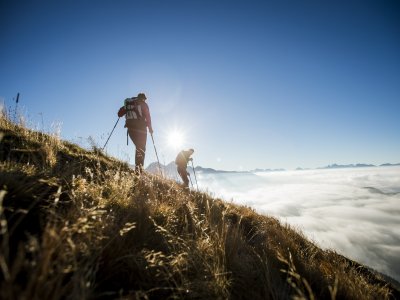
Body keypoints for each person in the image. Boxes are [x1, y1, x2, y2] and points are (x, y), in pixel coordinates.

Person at [118, 92, 153, 174]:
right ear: (144, 98)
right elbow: (148, 117)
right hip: (141, 130)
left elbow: (119, 114)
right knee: (141, 148)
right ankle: (139, 170)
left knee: (138, 147)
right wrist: (150, 129)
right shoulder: (144, 104)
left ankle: (138, 169)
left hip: (130, 129)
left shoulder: (130, 103)